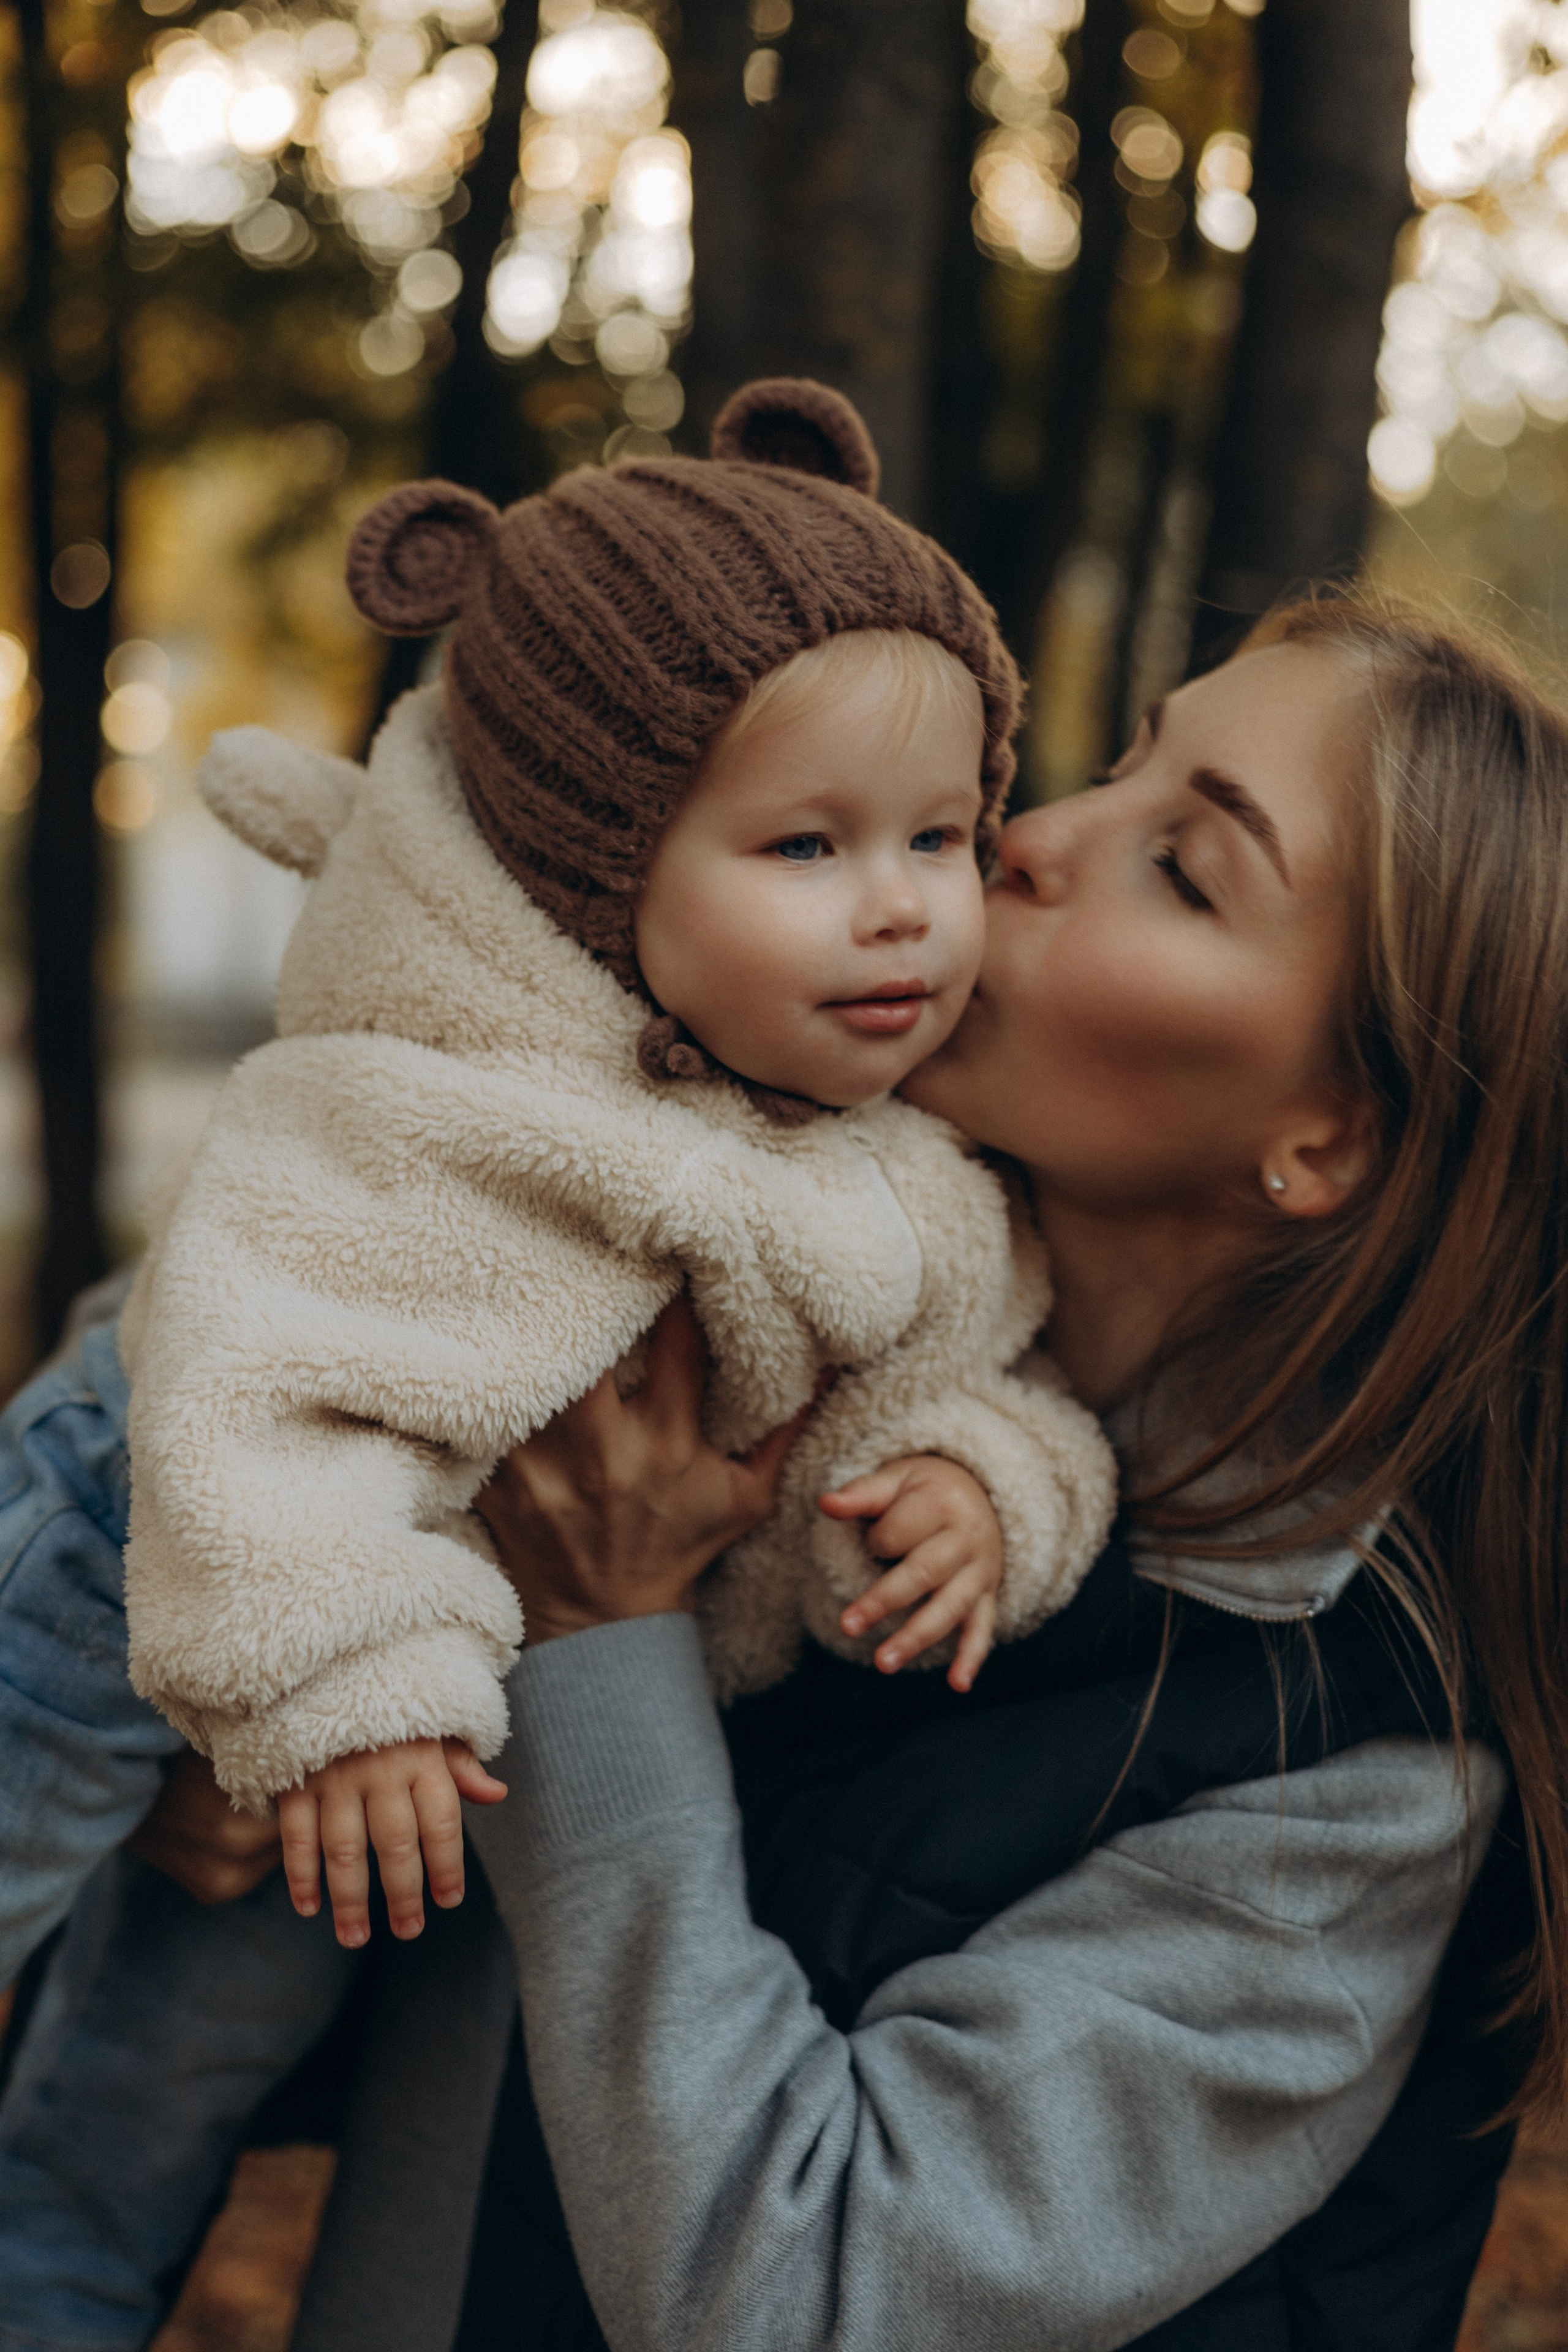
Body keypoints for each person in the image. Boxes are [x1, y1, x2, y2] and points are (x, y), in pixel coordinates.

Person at [278, 591, 1562, 2349]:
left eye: (1185, 867)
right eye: (1118, 768)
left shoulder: (1349, 1769)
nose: (1027, 838)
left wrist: (599, 1641)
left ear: (1324, 1137)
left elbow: (810, 2290)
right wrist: (321, 1716)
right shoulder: (786, 1306)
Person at [0, 379, 1117, 2351]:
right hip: (170, 1555)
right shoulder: (458, 1100)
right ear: (609, 869)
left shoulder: (910, 1159)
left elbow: (984, 1362)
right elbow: (263, 1354)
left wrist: (990, 1484)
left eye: (945, 834)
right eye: (804, 842)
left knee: (147, 2107)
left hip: (414, 1714)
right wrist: (344, 1677)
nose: (905, 905)